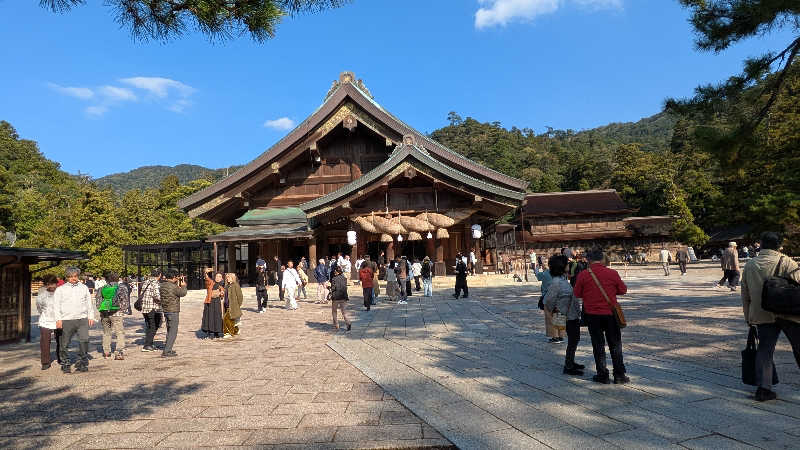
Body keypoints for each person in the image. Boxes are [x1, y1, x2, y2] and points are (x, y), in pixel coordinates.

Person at [741, 232, 800, 402]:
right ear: (779, 245)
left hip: (762, 313)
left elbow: (745, 293)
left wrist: (748, 316)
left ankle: (764, 389)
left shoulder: (750, 265)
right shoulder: (786, 261)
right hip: (788, 313)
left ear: (761, 244)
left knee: (765, 350)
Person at [574, 249, 629, 384]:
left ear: (588, 260)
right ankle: (619, 374)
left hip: (592, 315)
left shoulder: (583, 275)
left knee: (598, 345)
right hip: (610, 314)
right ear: (602, 259)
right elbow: (623, 290)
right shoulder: (612, 273)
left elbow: (577, 294)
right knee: (615, 344)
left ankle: (602, 374)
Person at [544, 255, 584, 375]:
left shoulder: (562, 279)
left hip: (571, 314)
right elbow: (548, 301)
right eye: (566, 264)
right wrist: (557, 310)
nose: (568, 265)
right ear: (561, 267)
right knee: (573, 339)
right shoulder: (556, 282)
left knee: (574, 339)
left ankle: (570, 361)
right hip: (565, 315)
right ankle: (568, 365)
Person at [54, 267, 95, 373]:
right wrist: (58, 319)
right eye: (71, 276)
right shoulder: (60, 289)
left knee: (84, 340)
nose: (73, 278)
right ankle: (65, 363)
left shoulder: (84, 288)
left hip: (82, 319)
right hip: (66, 319)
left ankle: (82, 361)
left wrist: (90, 316)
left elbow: (89, 302)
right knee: (64, 343)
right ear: (67, 277)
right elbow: (56, 305)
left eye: (75, 276)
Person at [96, 271, 130, 360]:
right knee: (119, 332)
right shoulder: (121, 287)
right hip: (117, 313)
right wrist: (122, 310)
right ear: (118, 279)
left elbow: (98, 303)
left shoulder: (101, 288)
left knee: (106, 332)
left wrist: (103, 310)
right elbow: (125, 301)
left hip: (104, 313)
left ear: (106, 280)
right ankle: (119, 352)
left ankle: (106, 352)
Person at [159, 269, 187, 357]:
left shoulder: (162, 285)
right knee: (173, 331)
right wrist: (183, 286)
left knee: (169, 330)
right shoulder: (173, 286)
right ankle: (167, 351)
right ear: (174, 277)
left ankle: (168, 348)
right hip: (173, 310)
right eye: (176, 277)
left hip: (166, 310)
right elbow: (182, 293)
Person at [36, 274, 61, 370]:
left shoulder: (61, 294)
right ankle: (45, 362)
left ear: (56, 283)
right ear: (46, 285)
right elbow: (39, 308)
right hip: (45, 321)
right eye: (49, 284)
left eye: (53, 283)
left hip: (59, 320)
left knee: (61, 340)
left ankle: (61, 358)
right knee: (45, 342)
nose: (51, 286)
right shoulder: (41, 296)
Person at [536, 262, 563, 343]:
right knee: (559, 316)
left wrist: (537, 268)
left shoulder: (545, 273)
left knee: (550, 317)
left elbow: (537, 276)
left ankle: (555, 337)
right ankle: (561, 336)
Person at [139, 269, 162, 351]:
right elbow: (157, 296)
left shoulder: (146, 282)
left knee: (149, 326)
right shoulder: (155, 283)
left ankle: (150, 343)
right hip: (152, 307)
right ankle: (147, 345)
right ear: (159, 275)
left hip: (144, 307)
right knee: (153, 326)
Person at [203, 272, 224, 339]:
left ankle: (217, 331)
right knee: (211, 317)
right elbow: (207, 279)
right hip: (210, 302)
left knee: (217, 317)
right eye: (217, 276)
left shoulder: (221, 285)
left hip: (217, 302)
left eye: (220, 277)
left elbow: (222, 295)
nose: (218, 278)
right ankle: (211, 332)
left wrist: (221, 294)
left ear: (222, 278)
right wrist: (206, 273)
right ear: (214, 277)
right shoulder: (211, 282)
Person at [330, 267, 351, 331]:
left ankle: (336, 325)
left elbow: (333, 288)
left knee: (334, 311)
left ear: (337, 272)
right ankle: (348, 323)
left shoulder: (334, 279)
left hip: (336, 297)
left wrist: (329, 287)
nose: (334, 272)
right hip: (343, 297)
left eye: (335, 271)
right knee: (344, 312)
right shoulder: (344, 278)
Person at [223, 273, 243, 338]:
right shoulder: (226, 286)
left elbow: (240, 296)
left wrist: (237, 305)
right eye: (227, 277)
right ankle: (236, 330)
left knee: (226, 319)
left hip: (233, 306)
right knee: (231, 319)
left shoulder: (235, 285)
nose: (227, 279)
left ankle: (228, 333)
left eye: (229, 277)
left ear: (232, 278)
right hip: (226, 305)